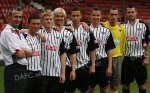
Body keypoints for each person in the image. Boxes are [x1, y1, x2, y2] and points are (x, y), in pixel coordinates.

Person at [65, 7, 98, 93]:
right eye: (73, 15)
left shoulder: (87, 30)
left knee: (86, 91)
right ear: (71, 16)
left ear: (81, 16)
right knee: (68, 91)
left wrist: (93, 65)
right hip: (69, 66)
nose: (75, 17)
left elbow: (92, 49)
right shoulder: (66, 29)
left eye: (77, 15)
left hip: (83, 66)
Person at [0, 7, 33, 93]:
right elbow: (19, 55)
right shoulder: (7, 33)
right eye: (15, 17)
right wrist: (25, 52)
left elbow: (31, 52)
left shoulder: (18, 32)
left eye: (20, 17)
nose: (18, 19)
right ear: (9, 17)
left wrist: (23, 51)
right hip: (13, 69)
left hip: (22, 68)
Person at [121, 5, 150, 93]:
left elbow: (148, 42)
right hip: (126, 60)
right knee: (125, 85)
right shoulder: (122, 26)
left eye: (132, 12)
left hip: (139, 60)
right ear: (126, 14)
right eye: (129, 12)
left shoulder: (143, 25)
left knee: (142, 85)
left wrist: (147, 57)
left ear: (136, 13)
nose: (131, 14)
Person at [89, 7, 115, 93]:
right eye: (94, 15)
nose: (95, 17)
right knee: (90, 89)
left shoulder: (106, 31)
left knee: (104, 89)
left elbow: (109, 50)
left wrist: (110, 66)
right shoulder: (85, 30)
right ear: (90, 16)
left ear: (101, 16)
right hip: (89, 63)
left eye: (97, 15)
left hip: (103, 63)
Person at [39, 10, 66, 93]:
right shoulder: (38, 33)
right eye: (46, 19)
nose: (48, 21)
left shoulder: (59, 35)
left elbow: (62, 55)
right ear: (42, 21)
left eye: (50, 19)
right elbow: (23, 31)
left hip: (56, 73)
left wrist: (63, 73)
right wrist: (37, 33)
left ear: (53, 20)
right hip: (42, 73)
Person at [53, 7, 78, 90]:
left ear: (64, 18)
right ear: (53, 17)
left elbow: (73, 53)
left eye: (61, 16)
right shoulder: (47, 31)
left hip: (66, 67)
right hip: (50, 67)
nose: (59, 18)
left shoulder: (69, 34)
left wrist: (73, 70)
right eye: (57, 16)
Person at [103, 6, 126, 93]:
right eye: (111, 14)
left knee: (114, 86)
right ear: (108, 15)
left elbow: (123, 44)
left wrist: (121, 58)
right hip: (105, 58)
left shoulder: (122, 28)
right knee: (104, 86)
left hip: (117, 59)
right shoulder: (103, 26)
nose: (113, 16)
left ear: (118, 15)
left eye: (115, 14)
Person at [23, 14, 42, 93]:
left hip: (38, 73)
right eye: (34, 24)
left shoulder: (39, 37)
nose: (36, 26)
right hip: (27, 73)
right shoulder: (23, 37)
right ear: (28, 24)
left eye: (38, 24)